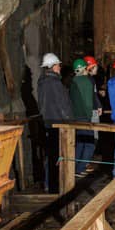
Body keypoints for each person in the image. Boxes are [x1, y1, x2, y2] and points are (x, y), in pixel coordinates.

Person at [36, 53, 72, 193]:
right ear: (53, 66)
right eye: (58, 65)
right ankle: (56, 187)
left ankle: (49, 185)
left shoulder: (42, 82)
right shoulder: (55, 83)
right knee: (58, 156)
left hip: (47, 122)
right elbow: (63, 105)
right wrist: (69, 121)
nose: (59, 67)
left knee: (50, 156)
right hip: (58, 124)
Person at [69, 58, 101, 173]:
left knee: (80, 143)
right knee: (89, 144)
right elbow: (88, 103)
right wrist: (89, 117)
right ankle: (80, 168)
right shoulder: (85, 81)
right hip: (85, 117)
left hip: (75, 117)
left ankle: (74, 169)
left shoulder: (73, 81)